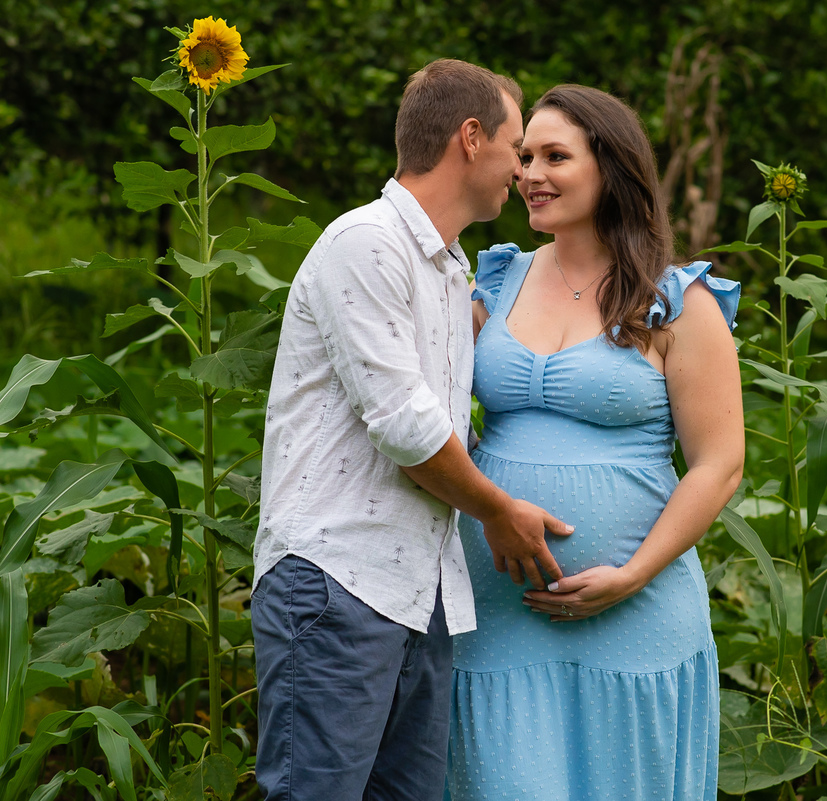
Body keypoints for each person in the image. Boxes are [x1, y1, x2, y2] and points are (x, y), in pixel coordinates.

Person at [250, 59, 573, 800]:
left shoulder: (450, 269)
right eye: (516, 147)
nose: (521, 171)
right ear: (470, 137)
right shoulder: (365, 243)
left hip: (421, 592)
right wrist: (499, 509)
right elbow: (404, 426)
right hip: (337, 581)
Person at [446, 85, 744, 799]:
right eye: (524, 157)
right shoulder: (499, 279)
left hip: (636, 617)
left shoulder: (677, 300)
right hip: (498, 614)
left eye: (555, 156)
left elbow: (719, 464)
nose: (530, 174)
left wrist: (632, 574)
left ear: (610, 167)